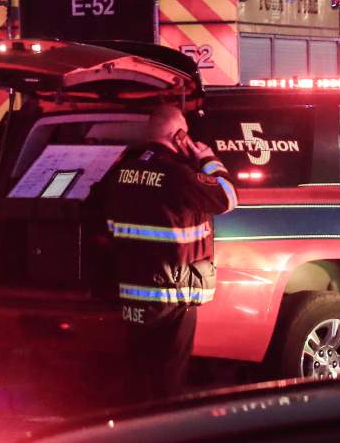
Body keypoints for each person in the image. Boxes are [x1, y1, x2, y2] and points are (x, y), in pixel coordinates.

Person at [99, 102, 237, 402]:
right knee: (168, 380)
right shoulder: (178, 175)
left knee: (138, 375)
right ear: (178, 138)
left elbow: (103, 219)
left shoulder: (121, 172)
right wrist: (209, 160)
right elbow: (227, 197)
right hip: (172, 297)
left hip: (132, 294)